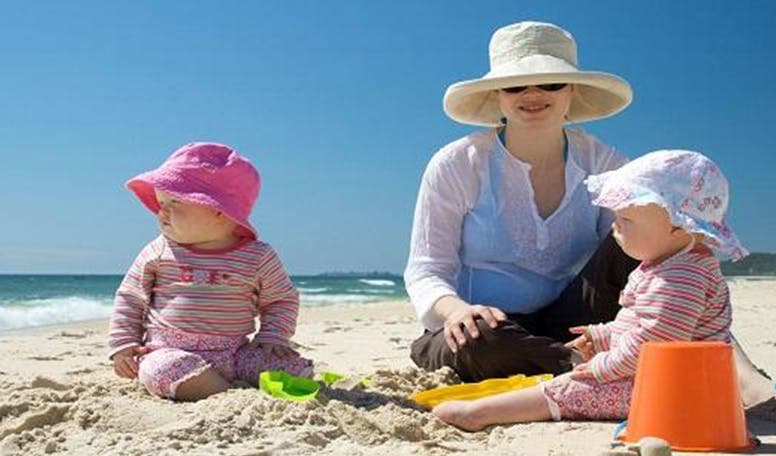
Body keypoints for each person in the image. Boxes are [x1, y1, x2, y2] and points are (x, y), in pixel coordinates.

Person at [432, 149, 747, 429]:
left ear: (678, 224)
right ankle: (490, 407)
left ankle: (480, 414)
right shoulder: (673, 263)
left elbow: (654, 343)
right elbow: (641, 325)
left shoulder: (680, 277)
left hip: (675, 390)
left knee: (568, 390)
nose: (615, 226)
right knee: (572, 380)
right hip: (672, 380)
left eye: (626, 219)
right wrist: (602, 335)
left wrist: (601, 367)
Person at [405, 21, 639, 382]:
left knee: (640, 234)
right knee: (480, 342)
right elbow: (426, 270)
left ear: (572, 89)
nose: (532, 94)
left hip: (576, 321)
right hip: (488, 327)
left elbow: (645, 255)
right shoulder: (457, 164)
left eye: (550, 82)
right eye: (515, 85)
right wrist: (456, 312)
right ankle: (587, 367)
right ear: (498, 94)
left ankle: (697, 356)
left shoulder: (604, 163)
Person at [107, 142, 313, 401]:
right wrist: (124, 346)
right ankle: (227, 394)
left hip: (236, 354)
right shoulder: (158, 251)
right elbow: (130, 298)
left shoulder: (257, 256)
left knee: (294, 368)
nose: (161, 213)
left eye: (174, 202)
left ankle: (225, 385)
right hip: (168, 350)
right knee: (161, 370)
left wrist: (273, 336)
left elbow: (281, 299)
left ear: (219, 209)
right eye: (160, 203)